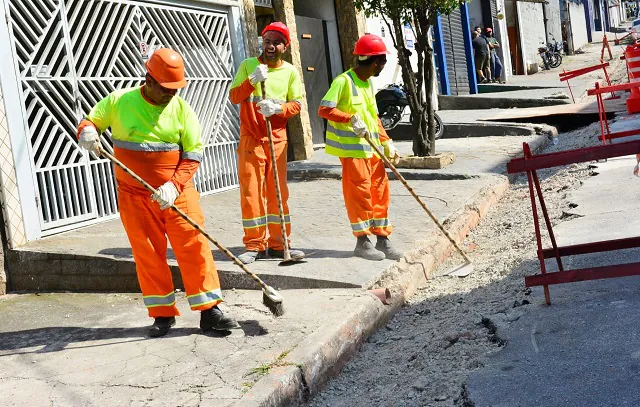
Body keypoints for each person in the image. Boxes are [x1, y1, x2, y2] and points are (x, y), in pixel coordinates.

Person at [76, 48, 238, 337]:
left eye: (175, 89)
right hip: (133, 194)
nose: (170, 95)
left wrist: (173, 185)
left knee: (194, 245)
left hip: (177, 190)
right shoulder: (119, 101)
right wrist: (86, 131)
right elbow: (92, 121)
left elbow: (193, 154)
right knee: (148, 253)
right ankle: (162, 314)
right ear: (148, 79)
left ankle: (209, 311)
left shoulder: (182, 109)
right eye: (166, 88)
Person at [317, 34, 402, 261]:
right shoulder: (343, 81)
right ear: (376, 62)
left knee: (380, 192)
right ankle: (362, 241)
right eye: (383, 61)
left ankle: (382, 239)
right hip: (352, 151)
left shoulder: (368, 83)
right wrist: (349, 118)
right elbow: (324, 109)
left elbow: (373, 117)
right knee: (360, 195)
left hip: (372, 150)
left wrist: (386, 141)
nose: (383, 66)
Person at [229, 22, 305, 265]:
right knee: (252, 192)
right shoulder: (248, 66)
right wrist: (251, 80)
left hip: (277, 138)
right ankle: (254, 245)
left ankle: (279, 243)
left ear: (285, 46)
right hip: (251, 137)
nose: (270, 46)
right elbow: (234, 97)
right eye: (267, 41)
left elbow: (297, 104)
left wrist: (278, 108)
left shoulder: (290, 72)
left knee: (277, 194)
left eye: (276, 42)